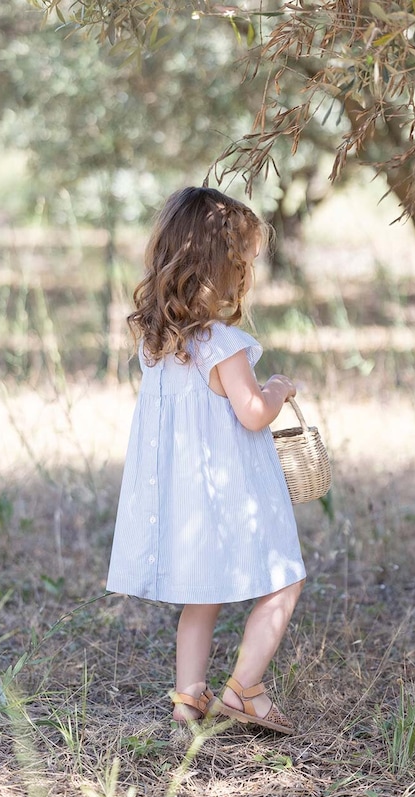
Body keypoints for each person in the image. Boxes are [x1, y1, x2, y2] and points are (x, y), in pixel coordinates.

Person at [106, 186, 306, 734]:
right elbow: (249, 413)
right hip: (231, 493)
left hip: (185, 496)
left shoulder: (158, 343)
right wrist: (278, 389)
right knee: (284, 579)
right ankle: (245, 689)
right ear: (225, 268)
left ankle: (188, 697)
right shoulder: (224, 344)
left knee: (202, 596)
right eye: (243, 261)